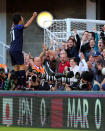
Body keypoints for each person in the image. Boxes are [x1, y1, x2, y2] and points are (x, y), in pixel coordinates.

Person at [9, 12, 37, 88]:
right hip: (17, 49)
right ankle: (24, 85)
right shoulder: (18, 26)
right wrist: (33, 16)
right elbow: (27, 25)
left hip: (11, 50)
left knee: (16, 67)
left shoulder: (12, 28)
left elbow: (14, 22)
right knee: (22, 66)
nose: (23, 19)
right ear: (19, 20)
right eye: (22, 18)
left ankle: (18, 85)